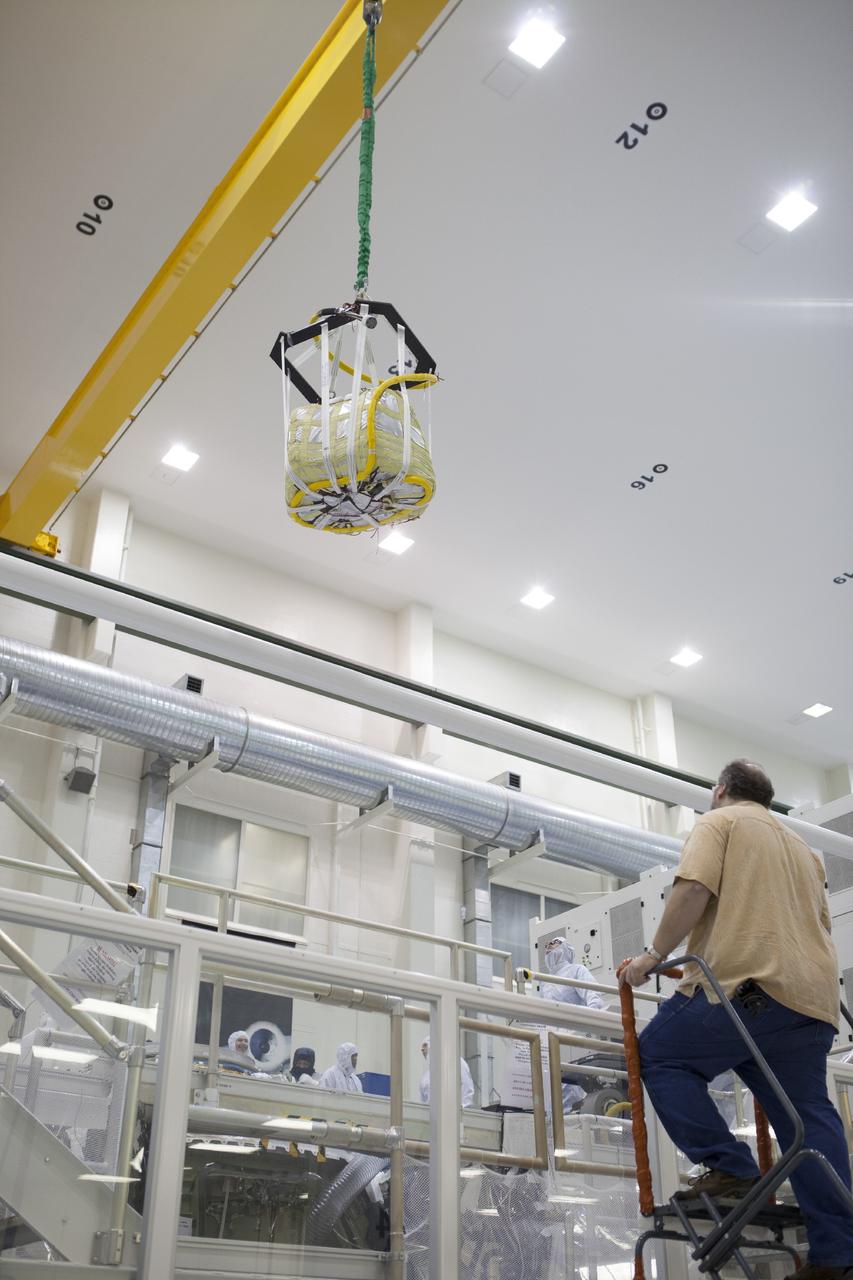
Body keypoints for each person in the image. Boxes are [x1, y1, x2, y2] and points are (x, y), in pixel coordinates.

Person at [620, 759, 853, 1280]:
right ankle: (837, 1255)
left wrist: (652, 957)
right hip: (812, 999)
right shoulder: (803, 850)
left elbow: (693, 889)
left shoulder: (718, 823)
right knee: (808, 1122)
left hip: (748, 988)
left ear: (720, 791)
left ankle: (730, 1166)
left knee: (660, 1053)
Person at [541, 936, 605, 1110]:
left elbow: (594, 998)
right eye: (547, 945)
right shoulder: (544, 982)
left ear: (566, 949)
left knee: (571, 1089)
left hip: (573, 1040)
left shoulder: (577, 970)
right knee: (551, 1095)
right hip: (550, 1042)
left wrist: (588, 1028)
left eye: (554, 943)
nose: (548, 947)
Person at [419, 1035, 475, 1108]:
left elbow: (466, 1085)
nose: (422, 1049)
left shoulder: (456, 1062)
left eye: (425, 1045)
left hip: (453, 1113)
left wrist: (462, 1107)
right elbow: (423, 1101)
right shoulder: (426, 1076)